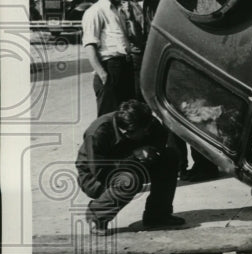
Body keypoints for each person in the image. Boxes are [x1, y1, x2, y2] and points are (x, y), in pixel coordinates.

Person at [75, 99, 184, 235]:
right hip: (95, 176)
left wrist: (152, 151)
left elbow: (160, 140)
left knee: (169, 157)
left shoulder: (147, 122)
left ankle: (158, 215)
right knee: (129, 181)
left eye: (148, 129)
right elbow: (100, 170)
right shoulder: (98, 132)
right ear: (128, 132)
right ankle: (97, 215)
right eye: (143, 131)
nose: (147, 132)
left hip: (135, 164)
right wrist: (133, 159)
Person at [82, 0, 135, 116]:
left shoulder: (119, 11)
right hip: (109, 69)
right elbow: (90, 46)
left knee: (126, 120)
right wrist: (103, 75)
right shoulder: (95, 11)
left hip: (125, 69)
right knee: (108, 120)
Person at [118, 0, 160, 99]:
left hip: (155, 58)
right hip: (134, 61)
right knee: (137, 98)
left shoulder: (155, 2)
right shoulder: (120, 4)